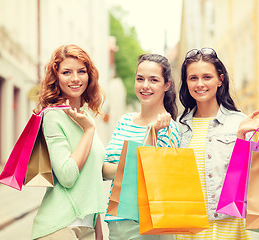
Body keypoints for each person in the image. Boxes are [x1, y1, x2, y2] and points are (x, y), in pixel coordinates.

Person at [176, 48, 259, 239]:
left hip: (228, 226)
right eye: (193, 78)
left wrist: (248, 137)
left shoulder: (240, 122)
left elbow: (255, 178)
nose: (200, 84)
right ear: (186, 83)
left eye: (207, 77)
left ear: (220, 80)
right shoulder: (179, 127)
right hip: (188, 228)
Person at [31, 44, 106, 240]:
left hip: (87, 227)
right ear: (56, 78)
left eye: (81, 71)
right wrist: (89, 130)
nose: (75, 78)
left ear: (89, 76)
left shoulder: (86, 115)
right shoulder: (53, 117)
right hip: (60, 227)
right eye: (66, 72)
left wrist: (98, 231)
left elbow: (93, 176)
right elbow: (67, 175)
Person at [102, 53, 180, 240]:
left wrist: (151, 133)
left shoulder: (169, 128)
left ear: (166, 85)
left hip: (146, 225)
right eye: (140, 79)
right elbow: (103, 170)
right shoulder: (125, 121)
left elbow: (151, 176)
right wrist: (130, 167)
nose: (145, 86)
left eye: (153, 80)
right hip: (115, 221)